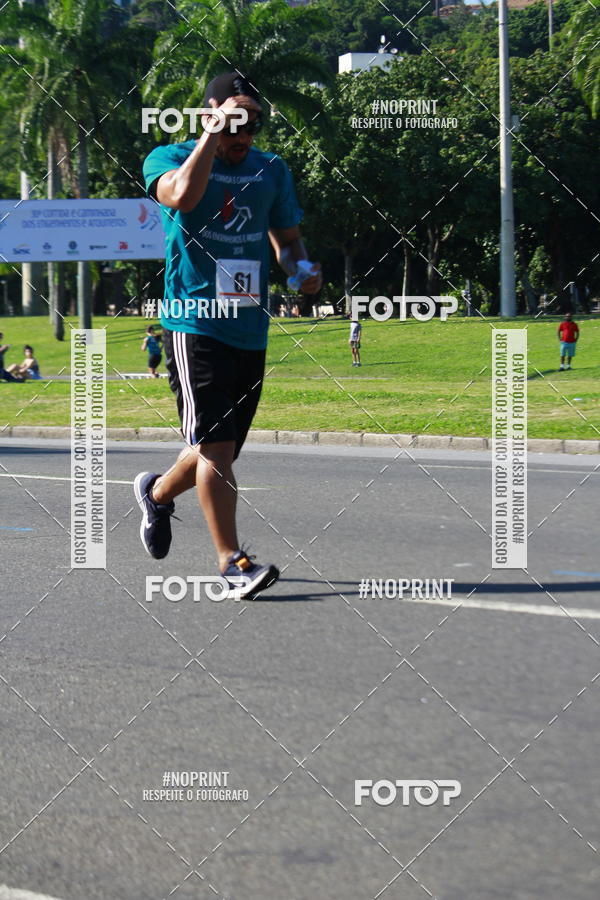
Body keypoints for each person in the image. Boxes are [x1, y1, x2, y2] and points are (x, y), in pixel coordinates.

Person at [137, 72, 322, 599]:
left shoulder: (271, 170)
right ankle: (231, 563)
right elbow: (183, 197)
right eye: (234, 121)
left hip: (249, 325)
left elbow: (287, 241)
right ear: (209, 115)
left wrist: (301, 268)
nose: (243, 135)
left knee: (217, 449)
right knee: (216, 444)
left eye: (252, 124)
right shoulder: (168, 156)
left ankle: (156, 492)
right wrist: (209, 140)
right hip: (192, 322)